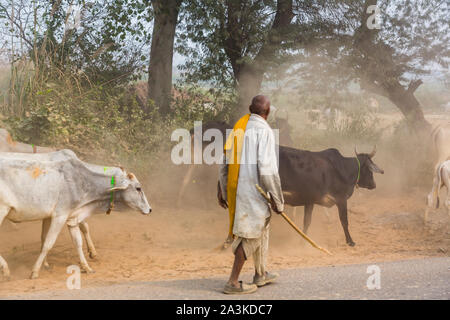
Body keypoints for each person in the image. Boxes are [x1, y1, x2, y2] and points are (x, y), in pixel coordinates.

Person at [218, 95, 284, 294]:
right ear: (268, 112)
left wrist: (222, 189)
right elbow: (267, 169)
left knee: (262, 228)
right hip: (254, 192)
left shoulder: (239, 127)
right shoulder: (264, 131)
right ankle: (232, 282)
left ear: (250, 108)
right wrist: (278, 199)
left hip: (237, 189)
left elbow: (225, 163)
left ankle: (260, 273)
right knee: (249, 235)